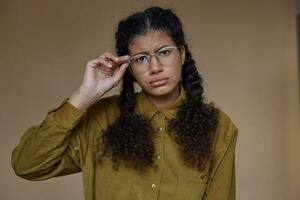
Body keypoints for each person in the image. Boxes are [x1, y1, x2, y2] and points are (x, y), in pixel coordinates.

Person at [11, 6, 238, 200]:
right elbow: (27, 165)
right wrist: (83, 96)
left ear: (182, 53)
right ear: (128, 67)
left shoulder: (220, 127)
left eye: (165, 52)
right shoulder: (99, 119)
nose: (155, 67)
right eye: (141, 58)